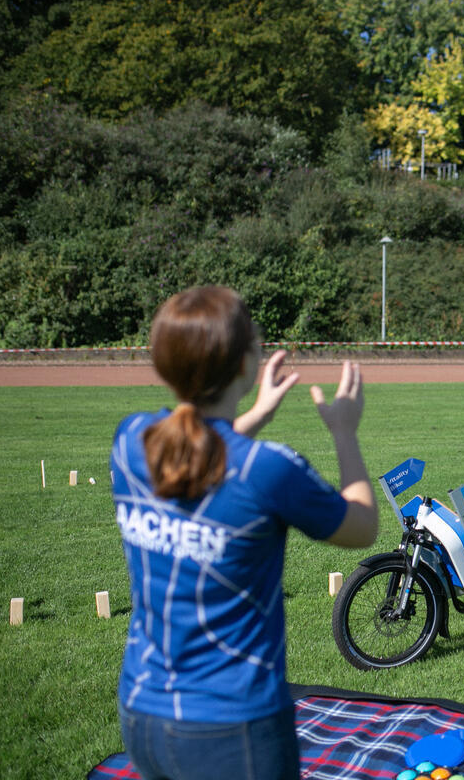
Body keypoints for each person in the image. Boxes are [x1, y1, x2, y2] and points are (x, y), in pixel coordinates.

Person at [111, 286, 378, 780]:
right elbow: (362, 527)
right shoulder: (269, 469)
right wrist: (344, 430)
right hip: (234, 726)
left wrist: (254, 416)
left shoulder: (132, 440)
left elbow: (205, 456)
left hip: (142, 712)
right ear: (245, 365)